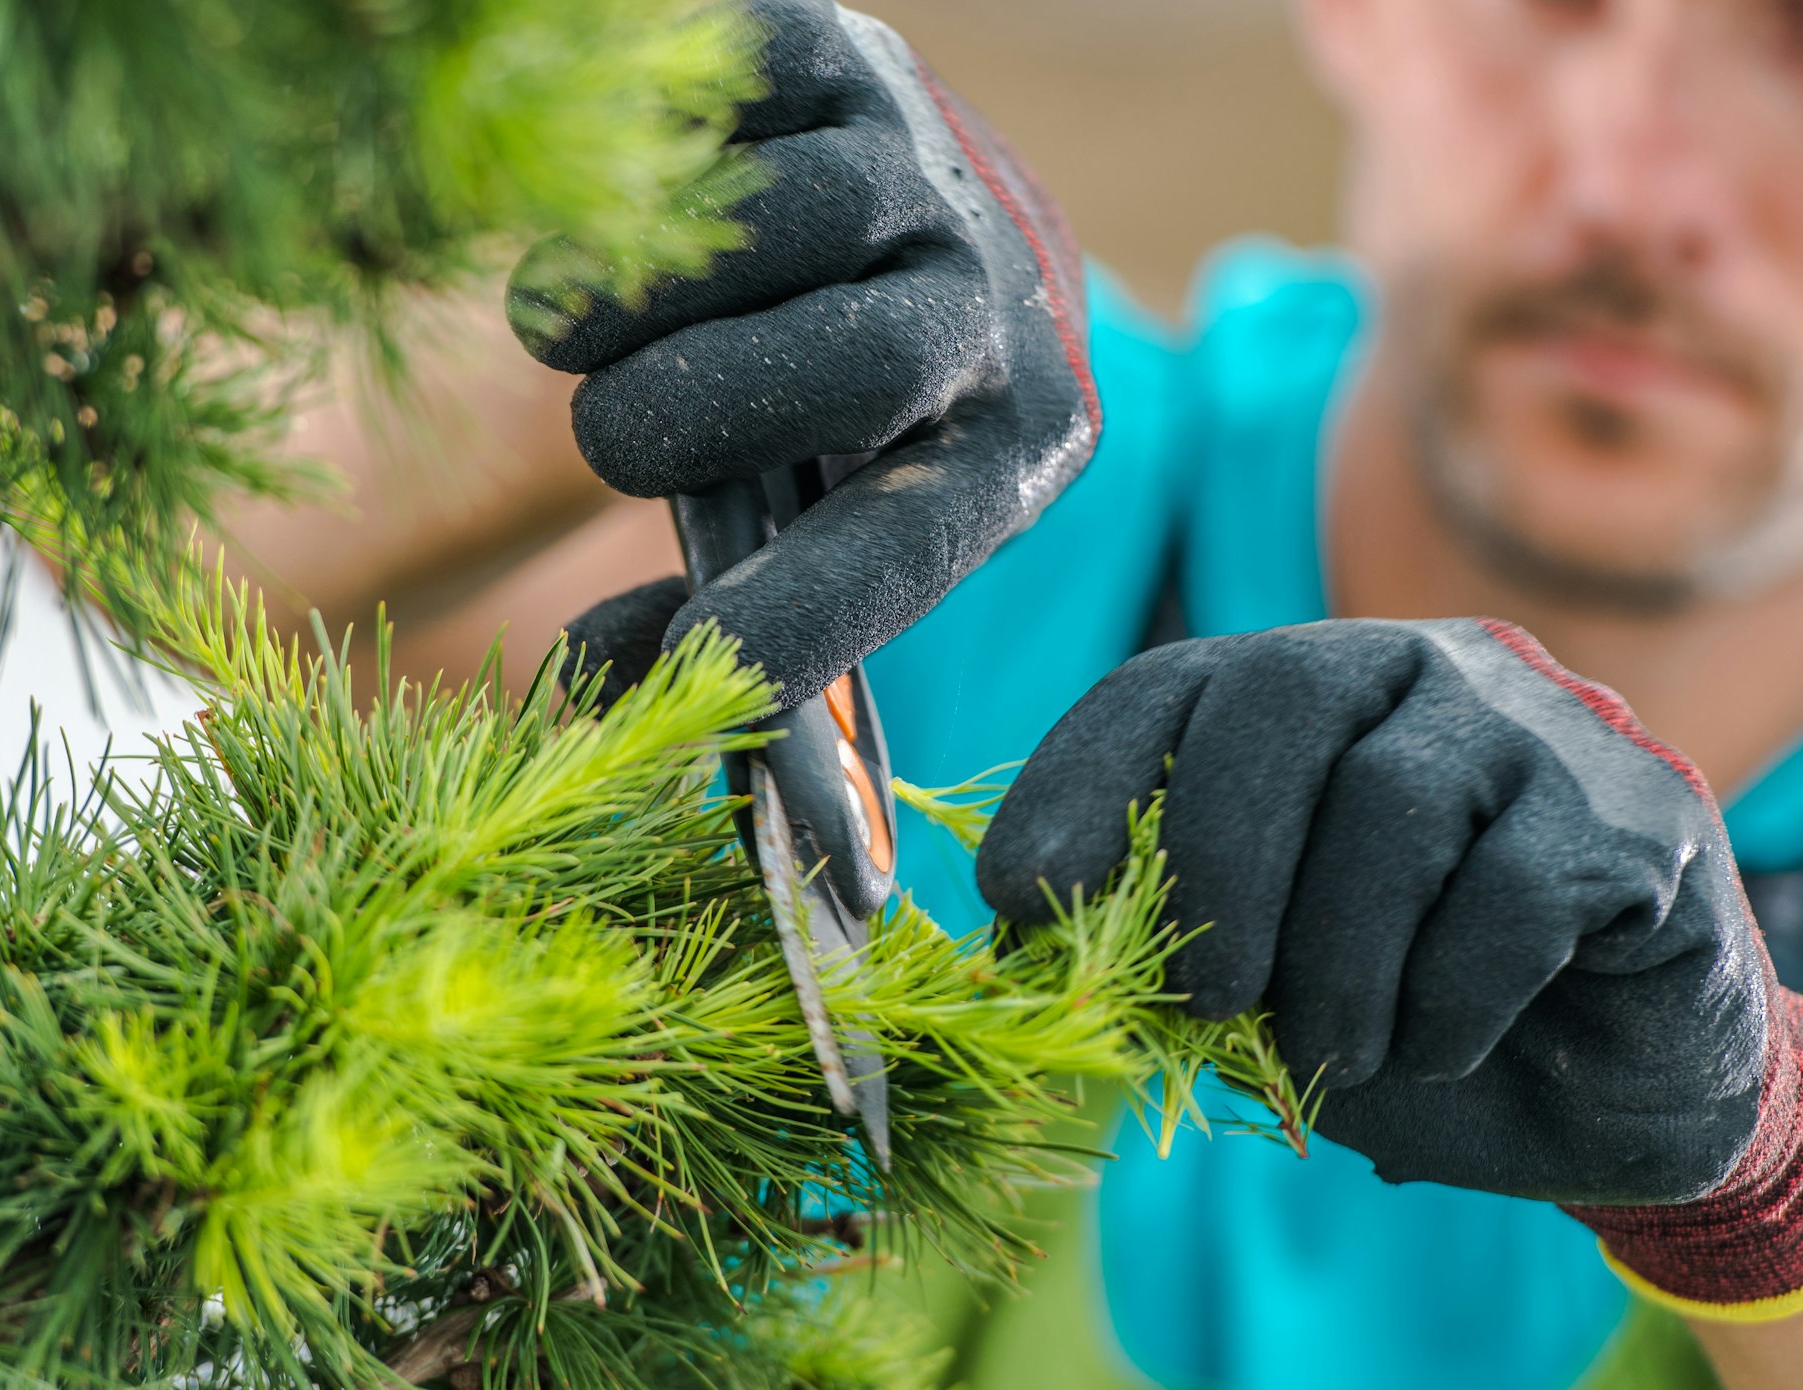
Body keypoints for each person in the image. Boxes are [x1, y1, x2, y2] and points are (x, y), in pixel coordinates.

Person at [508, 2, 1803, 1387]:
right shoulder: (928, 481)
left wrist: (1763, 1194)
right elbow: (279, 545)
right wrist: (662, 182)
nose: (1627, 190)